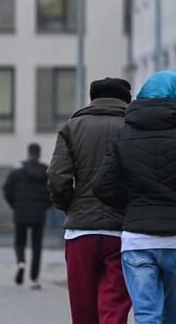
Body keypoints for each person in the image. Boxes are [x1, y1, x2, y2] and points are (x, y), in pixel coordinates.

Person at [94, 70, 176, 324]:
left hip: (138, 238)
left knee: (147, 315)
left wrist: (134, 202)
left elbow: (102, 186)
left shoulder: (123, 134)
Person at [48, 77, 134, 324]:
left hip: (80, 230)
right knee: (114, 305)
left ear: (92, 97)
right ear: (126, 99)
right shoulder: (134, 127)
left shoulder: (72, 127)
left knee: (82, 305)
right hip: (122, 230)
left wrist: (69, 205)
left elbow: (57, 177)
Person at [3, 143, 52, 289]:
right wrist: (44, 206)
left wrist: (15, 206)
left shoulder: (17, 174)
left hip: (21, 213)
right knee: (37, 246)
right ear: (39, 153)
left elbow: (7, 191)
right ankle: (34, 279)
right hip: (39, 214)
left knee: (20, 242)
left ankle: (21, 262)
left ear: (28, 153)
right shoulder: (46, 173)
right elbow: (53, 192)